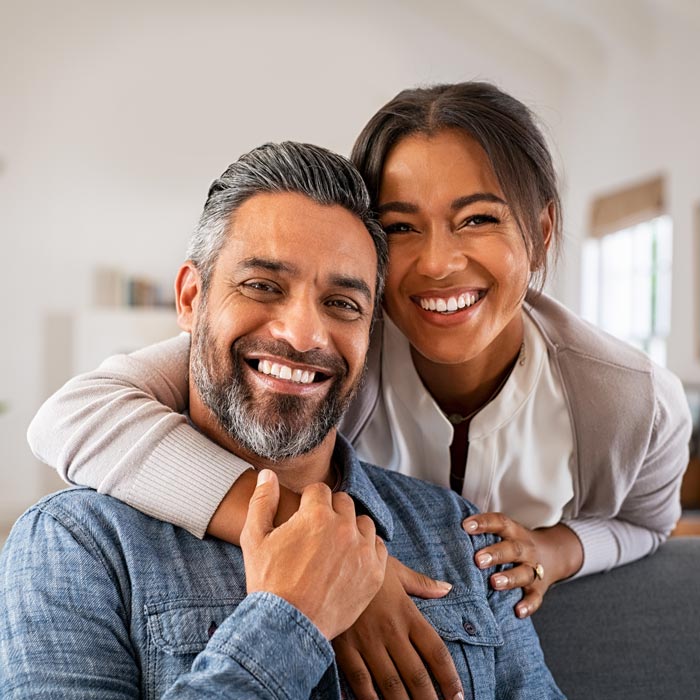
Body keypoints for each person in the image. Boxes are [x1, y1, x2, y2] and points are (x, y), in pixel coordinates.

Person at [1, 142, 564, 699]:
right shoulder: (77, 543)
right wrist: (289, 619)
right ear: (192, 299)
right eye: (263, 287)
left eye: (343, 303)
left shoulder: (459, 535)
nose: (302, 335)